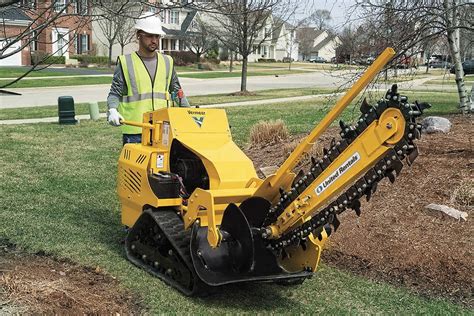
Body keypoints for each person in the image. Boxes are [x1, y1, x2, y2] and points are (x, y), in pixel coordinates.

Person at [107, 13, 189, 145]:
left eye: (157, 36)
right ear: (138, 35)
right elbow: (114, 93)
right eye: (150, 35)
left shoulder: (168, 62)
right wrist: (112, 110)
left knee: (162, 166)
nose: (154, 40)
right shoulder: (125, 62)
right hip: (135, 130)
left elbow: (177, 91)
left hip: (162, 128)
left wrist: (189, 112)